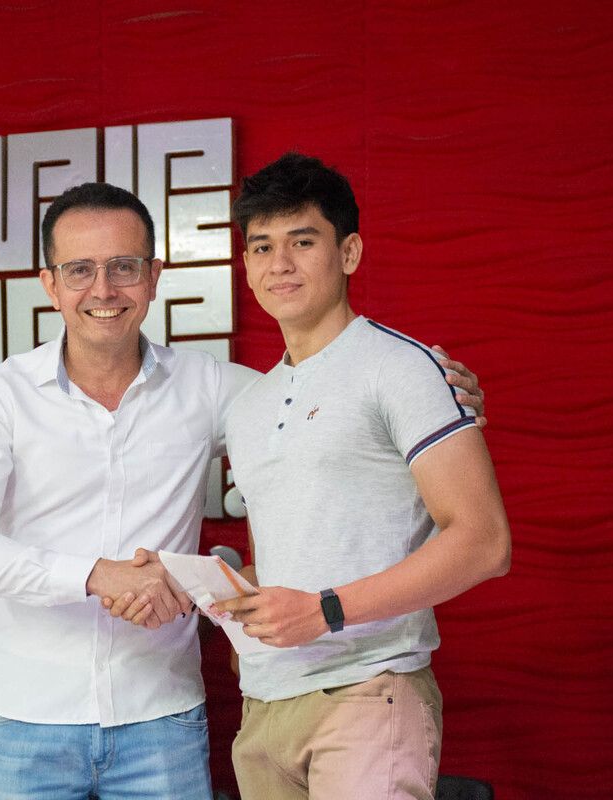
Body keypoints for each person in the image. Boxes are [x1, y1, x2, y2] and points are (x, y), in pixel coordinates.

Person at [0, 182, 487, 799]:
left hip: (161, 715)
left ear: (154, 275)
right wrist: (96, 574)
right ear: (50, 284)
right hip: (24, 716)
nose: (104, 289)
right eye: (80, 270)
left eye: (124, 267)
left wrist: (441, 390)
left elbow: (323, 397)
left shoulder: (214, 387)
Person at [213, 152, 512, 800]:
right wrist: (240, 597)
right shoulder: (248, 406)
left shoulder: (402, 368)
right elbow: (294, 551)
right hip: (263, 709)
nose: (279, 263)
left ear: (348, 253)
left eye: (302, 240)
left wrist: (326, 611)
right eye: (261, 246)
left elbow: (485, 542)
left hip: (370, 692)